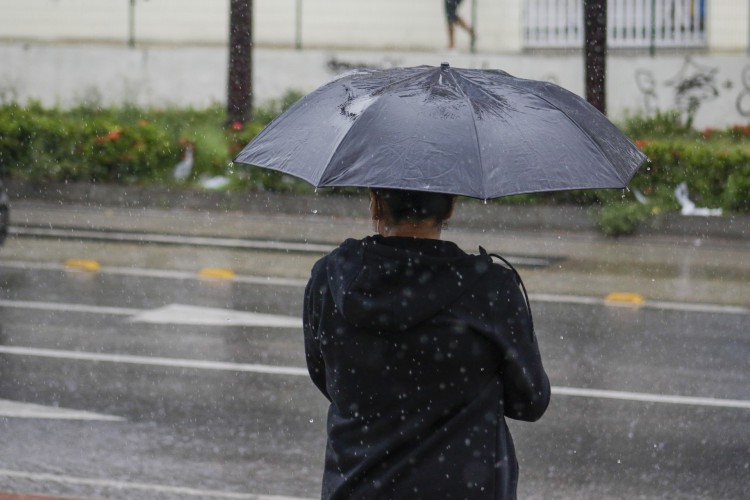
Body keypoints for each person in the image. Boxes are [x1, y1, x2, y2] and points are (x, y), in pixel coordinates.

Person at [303, 188, 550, 499]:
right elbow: (530, 400)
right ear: (449, 209)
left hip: (357, 485)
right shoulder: (490, 288)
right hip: (463, 487)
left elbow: (325, 375)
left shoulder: (329, 278)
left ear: (376, 205)